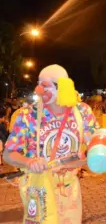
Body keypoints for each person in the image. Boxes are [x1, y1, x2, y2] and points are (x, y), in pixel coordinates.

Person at [2, 64, 97, 223]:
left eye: (45, 85)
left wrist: (98, 149)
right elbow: (8, 154)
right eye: (39, 83)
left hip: (69, 190)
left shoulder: (82, 112)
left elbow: (96, 143)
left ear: (62, 87)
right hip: (38, 188)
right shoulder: (27, 115)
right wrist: (29, 161)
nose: (39, 89)